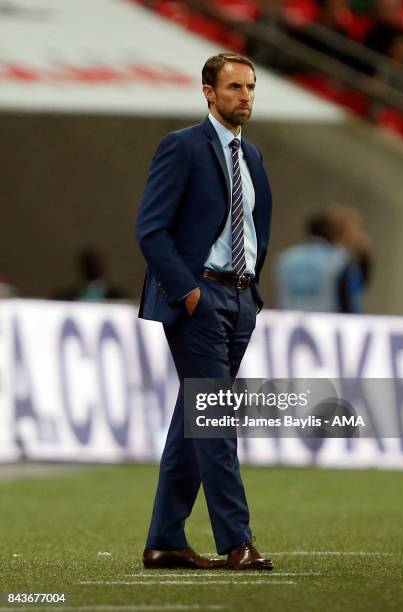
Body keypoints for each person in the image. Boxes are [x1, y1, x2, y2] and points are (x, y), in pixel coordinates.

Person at [136, 53, 273, 570]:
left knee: (194, 420)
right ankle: (236, 539)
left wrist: (251, 290)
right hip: (199, 299)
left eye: (252, 87)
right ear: (209, 93)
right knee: (215, 418)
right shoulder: (182, 147)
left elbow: (259, 229)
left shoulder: (253, 157)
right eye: (235, 86)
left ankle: (166, 539)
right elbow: (151, 228)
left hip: (239, 299)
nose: (245, 96)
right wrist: (188, 291)